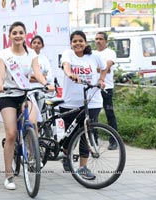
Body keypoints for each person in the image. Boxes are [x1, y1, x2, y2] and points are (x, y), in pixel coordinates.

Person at [0, 21, 54, 190]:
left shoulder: (31, 55)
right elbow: (1, 74)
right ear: (10, 36)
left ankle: (32, 153)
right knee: (11, 134)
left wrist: (46, 83)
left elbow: (37, 73)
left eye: (21, 32)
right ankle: (8, 175)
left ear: (25, 35)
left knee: (33, 123)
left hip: (25, 95)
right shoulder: (4, 54)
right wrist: (0, 84)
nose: (18, 35)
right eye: (14, 33)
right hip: (8, 96)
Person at [60, 30, 106, 180]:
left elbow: (104, 68)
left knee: (86, 134)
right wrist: (70, 74)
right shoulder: (68, 54)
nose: (78, 43)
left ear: (85, 42)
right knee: (71, 135)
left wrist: (101, 79)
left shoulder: (95, 56)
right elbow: (66, 66)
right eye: (75, 41)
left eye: (81, 40)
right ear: (71, 43)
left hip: (92, 101)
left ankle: (82, 167)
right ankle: (66, 152)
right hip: (70, 102)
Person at [95, 31, 118, 150]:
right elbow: (94, 69)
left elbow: (107, 68)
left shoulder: (110, 53)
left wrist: (99, 69)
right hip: (94, 89)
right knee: (93, 115)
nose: (98, 41)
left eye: (100, 39)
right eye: (96, 39)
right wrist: (100, 69)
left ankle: (114, 141)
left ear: (106, 41)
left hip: (107, 88)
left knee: (110, 114)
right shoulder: (93, 54)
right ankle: (94, 140)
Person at [30, 35, 54, 111]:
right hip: (28, 91)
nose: (36, 44)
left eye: (39, 43)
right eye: (34, 42)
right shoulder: (25, 57)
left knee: (39, 114)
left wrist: (35, 77)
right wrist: (41, 77)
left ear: (42, 46)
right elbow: (26, 77)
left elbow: (49, 76)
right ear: (31, 44)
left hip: (41, 90)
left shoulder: (44, 59)